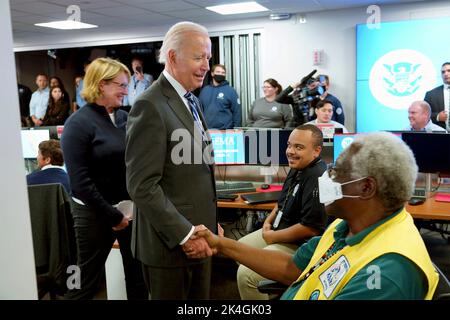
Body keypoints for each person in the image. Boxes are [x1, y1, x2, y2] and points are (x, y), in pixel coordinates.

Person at [197, 132, 439, 300]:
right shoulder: (343, 227)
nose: (326, 177)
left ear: (366, 188)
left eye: (336, 171)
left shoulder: (386, 273)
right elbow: (291, 267)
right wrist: (219, 243)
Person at [125, 21, 218, 300]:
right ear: (173, 57)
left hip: (201, 235)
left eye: (208, 59)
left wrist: (210, 223)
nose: (205, 66)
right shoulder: (149, 105)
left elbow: (195, 171)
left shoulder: (192, 100)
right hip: (170, 246)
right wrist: (185, 234)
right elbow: (142, 186)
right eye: (198, 57)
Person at [61, 57, 147, 300]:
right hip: (94, 213)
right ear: (101, 85)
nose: (125, 91)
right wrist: (113, 215)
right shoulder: (77, 124)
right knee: (84, 283)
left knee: (137, 277)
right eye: (120, 85)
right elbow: (79, 182)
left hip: (128, 211)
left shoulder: (122, 118)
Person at [237, 124, 327, 300]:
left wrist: (272, 237)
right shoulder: (297, 167)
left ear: (316, 151)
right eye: (289, 145)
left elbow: (311, 228)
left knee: (245, 274)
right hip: (278, 230)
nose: (290, 151)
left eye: (298, 147)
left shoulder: (317, 177)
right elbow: (281, 203)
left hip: (298, 244)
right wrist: (267, 223)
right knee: (240, 248)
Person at [199, 64, 241, 129]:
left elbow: (237, 112)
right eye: (218, 72)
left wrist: (236, 129)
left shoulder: (230, 91)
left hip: (225, 132)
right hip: (207, 131)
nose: (220, 74)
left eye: (223, 73)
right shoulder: (205, 90)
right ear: (212, 74)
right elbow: (199, 111)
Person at [424, 62, 450, 131]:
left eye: (449, 71)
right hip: (440, 137)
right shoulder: (431, 94)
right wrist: (437, 117)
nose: (446, 74)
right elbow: (423, 115)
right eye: (443, 72)